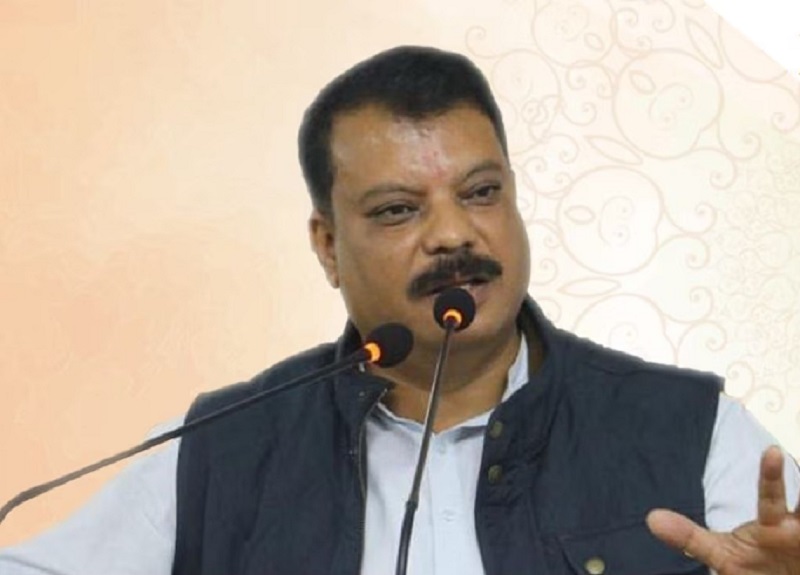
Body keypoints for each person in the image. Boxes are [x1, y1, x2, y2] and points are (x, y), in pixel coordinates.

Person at [1, 45, 799, 575]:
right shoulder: (221, 450)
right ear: (326, 245)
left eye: (481, 192)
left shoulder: (693, 430)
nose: (454, 234)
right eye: (397, 210)